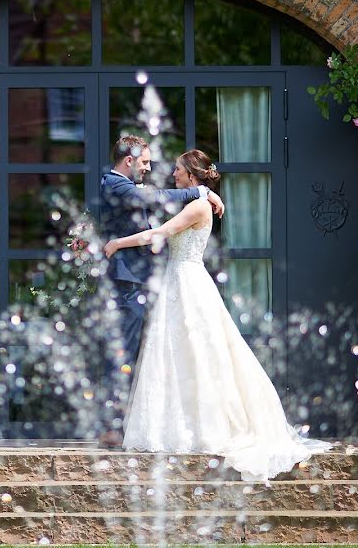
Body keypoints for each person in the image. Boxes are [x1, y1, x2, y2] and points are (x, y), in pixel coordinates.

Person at [103, 149, 331, 482]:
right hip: (178, 283)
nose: (173, 174)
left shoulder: (196, 206)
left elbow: (158, 235)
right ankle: (184, 422)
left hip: (188, 283)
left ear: (192, 175)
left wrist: (116, 244)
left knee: (200, 353)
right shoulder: (195, 202)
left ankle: (207, 425)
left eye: (179, 170)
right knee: (182, 354)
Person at [97, 136, 225, 447]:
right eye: (144, 162)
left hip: (159, 281)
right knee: (125, 352)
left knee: (163, 352)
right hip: (129, 282)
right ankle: (113, 427)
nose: (151, 167)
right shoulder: (117, 184)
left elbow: (158, 222)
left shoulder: (130, 187)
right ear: (129, 161)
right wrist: (200, 191)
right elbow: (156, 199)